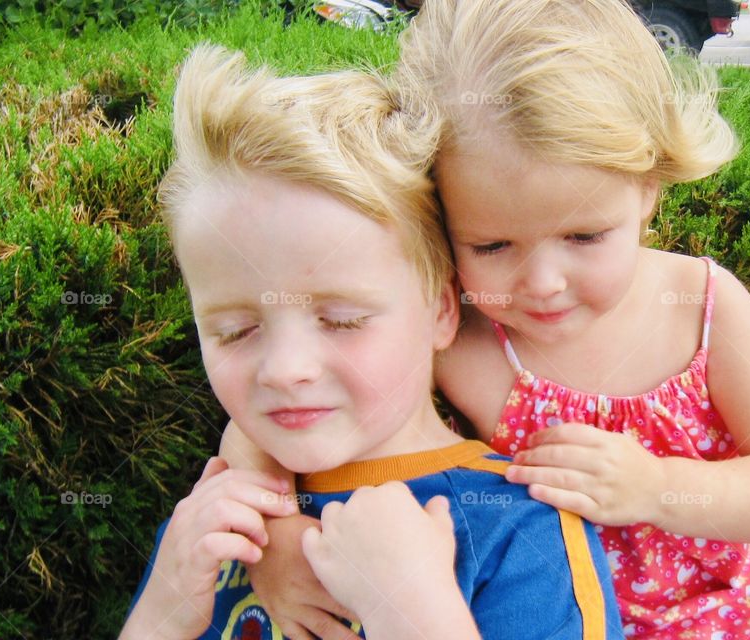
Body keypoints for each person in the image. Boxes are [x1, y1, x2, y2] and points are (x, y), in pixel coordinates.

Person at [226, 0, 750, 638]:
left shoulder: (702, 307)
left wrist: (659, 488)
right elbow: (269, 412)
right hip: (556, 612)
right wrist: (277, 543)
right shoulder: (454, 327)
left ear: (647, 188)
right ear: (440, 219)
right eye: (491, 246)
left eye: (585, 237)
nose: (544, 284)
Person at [119, 44, 624, 640]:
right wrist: (160, 614)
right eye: (236, 330)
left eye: (342, 320)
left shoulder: (518, 530)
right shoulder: (211, 527)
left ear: (440, 308)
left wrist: (412, 612)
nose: (284, 370)